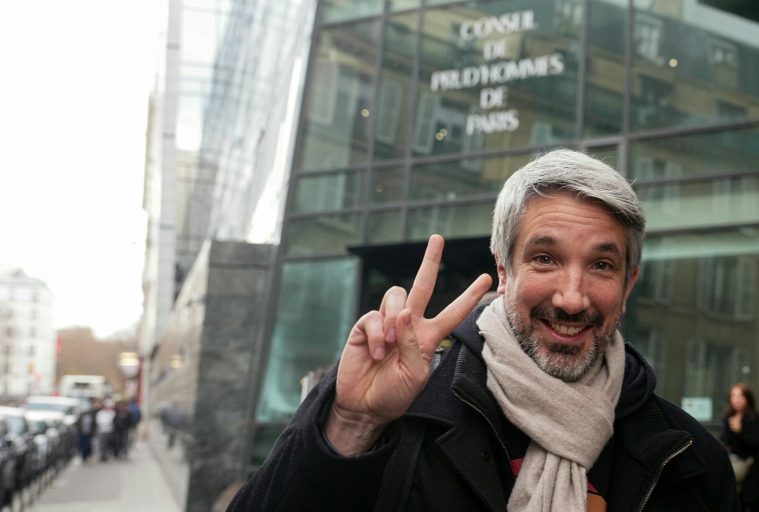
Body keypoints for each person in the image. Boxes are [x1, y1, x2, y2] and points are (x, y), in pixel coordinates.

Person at [227, 149, 739, 511]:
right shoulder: (403, 417)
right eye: (545, 258)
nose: (572, 297)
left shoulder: (691, 460)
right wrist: (352, 422)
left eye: (601, 266)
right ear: (505, 268)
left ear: (628, 286)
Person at [722, 383, 759, 511]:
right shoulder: (728, 418)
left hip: (749, 467)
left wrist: (740, 431)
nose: (737, 399)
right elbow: (724, 440)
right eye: (734, 396)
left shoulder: (753, 419)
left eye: (741, 396)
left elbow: (755, 443)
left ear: (747, 399)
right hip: (732, 463)